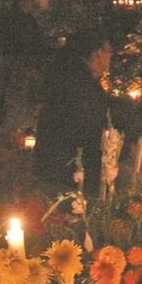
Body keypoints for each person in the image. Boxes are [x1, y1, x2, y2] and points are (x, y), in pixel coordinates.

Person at [34, 27, 121, 194]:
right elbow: (87, 125)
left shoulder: (72, 77)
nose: (111, 57)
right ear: (97, 54)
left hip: (59, 163)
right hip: (70, 167)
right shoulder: (80, 85)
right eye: (109, 52)